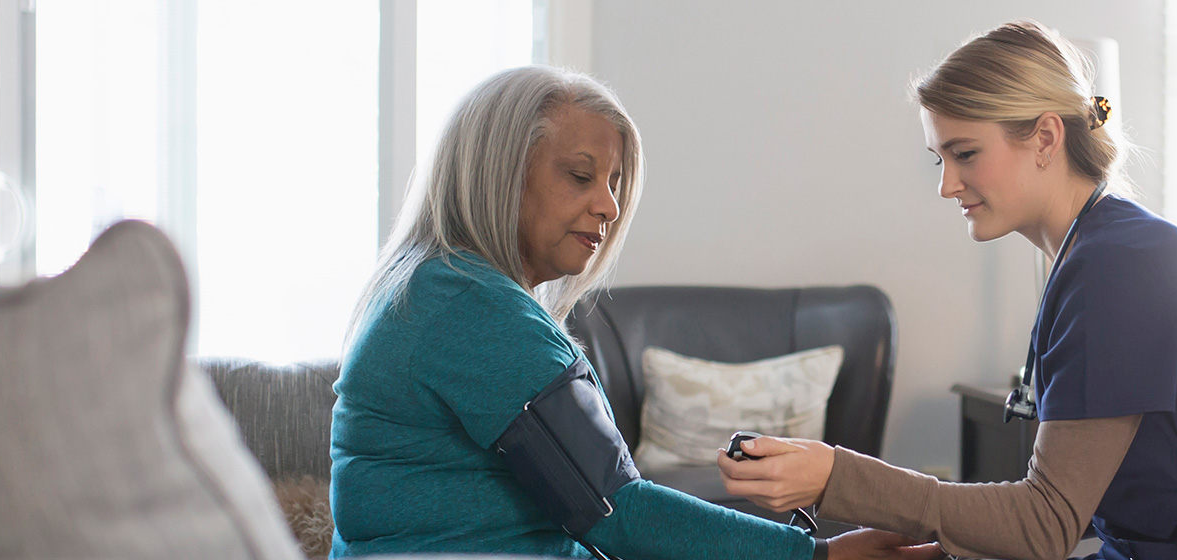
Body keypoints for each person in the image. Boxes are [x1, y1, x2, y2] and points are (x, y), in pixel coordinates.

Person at [717, 21, 1177, 560]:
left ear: (1045, 138)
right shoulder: (1096, 249)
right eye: (941, 159)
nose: (948, 185)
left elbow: (1046, 526)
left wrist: (835, 475)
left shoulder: (1120, 268)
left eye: (965, 153)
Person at [328, 65, 942, 560]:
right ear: (499, 174)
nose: (609, 205)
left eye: (616, 182)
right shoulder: (473, 309)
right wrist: (814, 557)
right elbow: (615, 510)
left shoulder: (433, 286)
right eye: (580, 176)